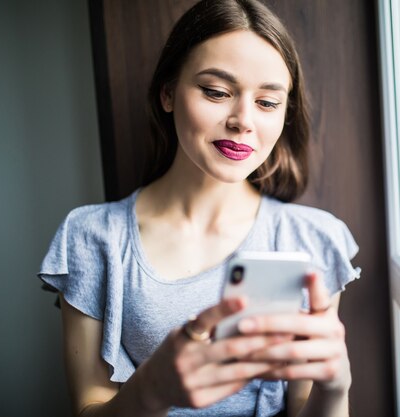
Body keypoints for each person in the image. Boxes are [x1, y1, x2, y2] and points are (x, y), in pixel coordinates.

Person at [38, 1, 360, 416]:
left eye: (267, 102)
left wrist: (335, 388)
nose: (243, 120)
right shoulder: (91, 237)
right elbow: (89, 406)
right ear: (168, 93)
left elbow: (302, 405)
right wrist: (153, 388)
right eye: (217, 92)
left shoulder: (312, 238)